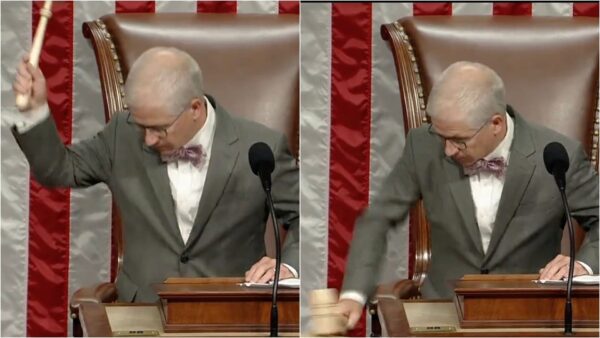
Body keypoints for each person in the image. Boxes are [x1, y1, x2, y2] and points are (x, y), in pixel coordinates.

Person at [12, 47, 299, 302]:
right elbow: (58, 169)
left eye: (158, 129)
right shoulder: (122, 135)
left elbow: (308, 218)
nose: (147, 140)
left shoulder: (261, 148)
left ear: (195, 109)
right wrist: (36, 110)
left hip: (231, 312)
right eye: (141, 126)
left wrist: (289, 266)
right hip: (144, 310)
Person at [337, 61, 599, 329]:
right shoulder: (423, 146)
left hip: (530, 314)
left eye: (458, 140)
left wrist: (586, 265)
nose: (448, 150)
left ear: (495, 124)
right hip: (443, 312)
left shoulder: (558, 155)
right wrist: (353, 294)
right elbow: (378, 218)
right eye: (441, 137)